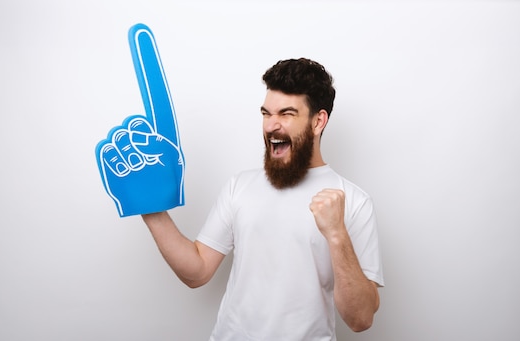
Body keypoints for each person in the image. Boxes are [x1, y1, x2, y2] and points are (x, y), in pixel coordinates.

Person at [141, 58, 384, 340]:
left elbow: (361, 318)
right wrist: (150, 207)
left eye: (287, 114)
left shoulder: (354, 201)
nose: (271, 125)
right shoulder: (240, 186)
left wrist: (337, 235)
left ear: (318, 121)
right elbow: (197, 272)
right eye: (266, 114)